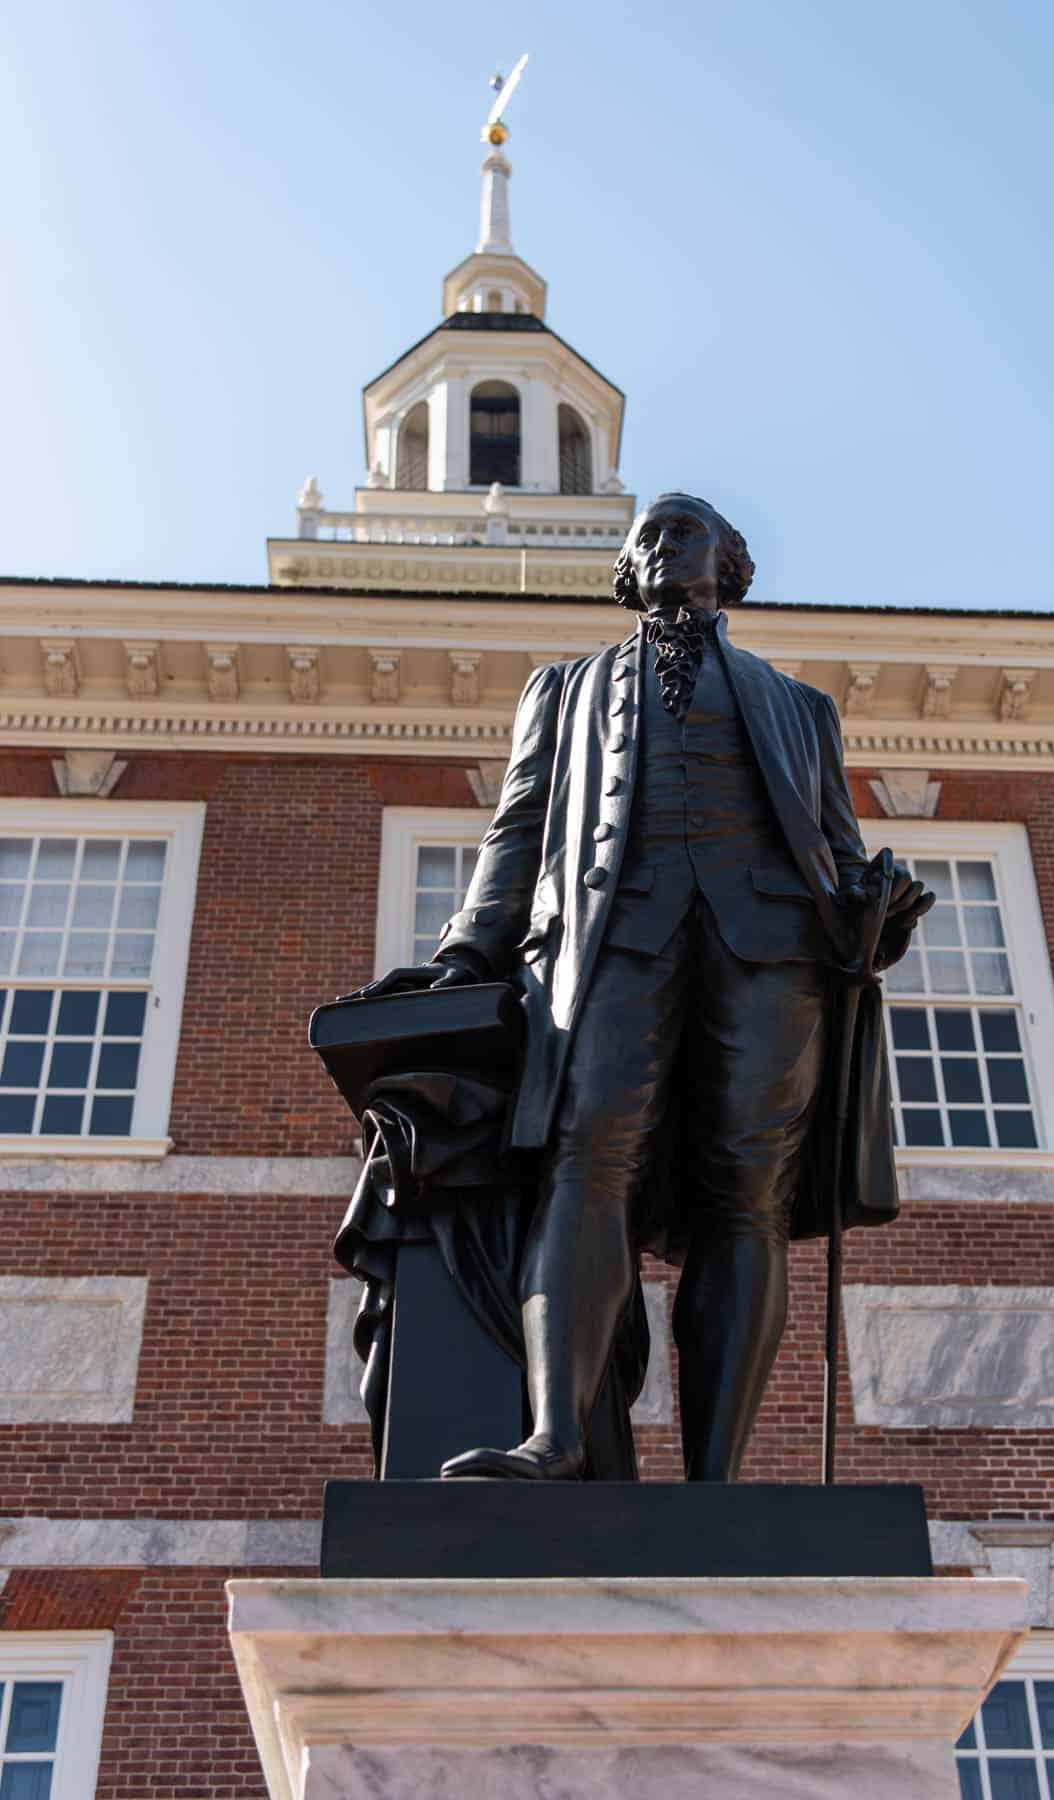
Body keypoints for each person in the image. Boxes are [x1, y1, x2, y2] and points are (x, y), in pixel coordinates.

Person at [365, 493, 932, 1480]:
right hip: (608, 941)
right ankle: (556, 1435)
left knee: (746, 1196)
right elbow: (516, 835)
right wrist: (465, 953)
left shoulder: (801, 708)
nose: (660, 543)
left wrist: (871, 910)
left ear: (731, 561)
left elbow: (837, 858)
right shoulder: (566, 689)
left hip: (770, 953)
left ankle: (715, 1479)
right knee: (588, 1159)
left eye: (684, 528)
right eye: (648, 535)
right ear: (626, 570)